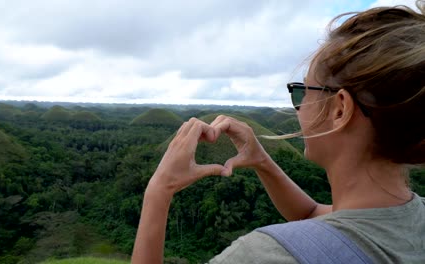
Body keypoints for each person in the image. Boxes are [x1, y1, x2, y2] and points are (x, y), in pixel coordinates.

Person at [131, 2, 425, 263]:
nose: (298, 108)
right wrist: (261, 160)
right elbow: (314, 217)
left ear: (340, 109)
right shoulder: (415, 219)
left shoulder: (260, 255)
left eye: (304, 91)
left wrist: (158, 191)